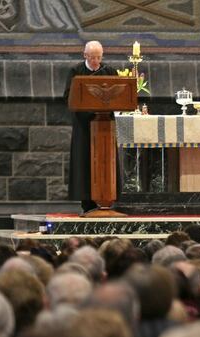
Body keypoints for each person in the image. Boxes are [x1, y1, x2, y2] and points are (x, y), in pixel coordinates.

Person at [63, 40, 117, 214]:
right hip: (84, 126)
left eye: (98, 57)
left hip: (105, 127)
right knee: (85, 162)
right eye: (92, 57)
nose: (95, 61)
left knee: (105, 161)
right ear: (85, 55)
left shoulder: (109, 71)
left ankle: (107, 199)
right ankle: (87, 202)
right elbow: (68, 97)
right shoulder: (76, 71)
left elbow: (118, 95)